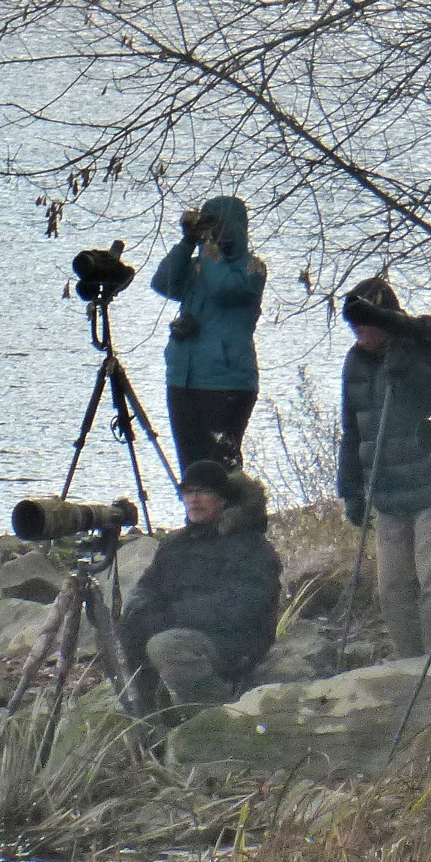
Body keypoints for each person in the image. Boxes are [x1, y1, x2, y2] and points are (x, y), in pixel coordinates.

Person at [337, 276, 431, 658]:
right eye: (353, 327)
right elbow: (353, 430)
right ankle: (409, 669)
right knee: (393, 590)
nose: (358, 334)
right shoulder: (356, 361)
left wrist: (411, 371)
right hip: (389, 492)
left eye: (364, 325)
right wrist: (350, 489)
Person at [121, 459, 281, 713]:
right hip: (185, 632)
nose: (194, 499)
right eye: (188, 492)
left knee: (166, 645)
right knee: (133, 628)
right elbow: (149, 585)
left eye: (203, 492)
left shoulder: (251, 547)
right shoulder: (176, 543)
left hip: (236, 642)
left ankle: (214, 719)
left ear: (223, 499)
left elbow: (240, 609)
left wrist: (172, 616)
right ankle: (151, 724)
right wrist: (138, 608)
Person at [151, 194, 267, 473]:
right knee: (192, 470)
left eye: (216, 224)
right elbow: (162, 282)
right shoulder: (200, 264)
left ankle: (234, 516)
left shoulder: (253, 268)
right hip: (183, 379)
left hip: (227, 383)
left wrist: (208, 248)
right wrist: (187, 242)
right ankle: (198, 516)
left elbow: (224, 288)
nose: (211, 232)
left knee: (221, 469)